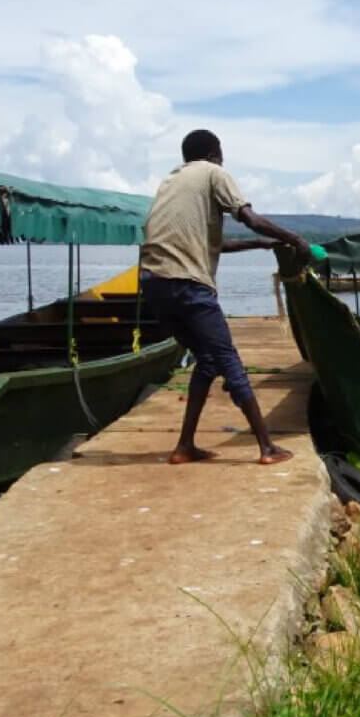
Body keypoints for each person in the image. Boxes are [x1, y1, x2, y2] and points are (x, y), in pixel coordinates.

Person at [140, 129, 312, 465]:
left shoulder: (171, 182)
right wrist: (295, 239)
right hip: (188, 284)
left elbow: (214, 245)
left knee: (206, 360)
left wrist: (261, 246)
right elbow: (249, 218)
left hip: (153, 283)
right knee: (227, 357)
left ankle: (185, 446)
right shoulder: (214, 173)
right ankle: (266, 447)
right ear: (215, 154)